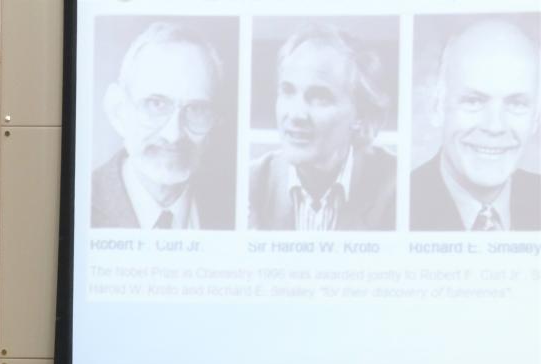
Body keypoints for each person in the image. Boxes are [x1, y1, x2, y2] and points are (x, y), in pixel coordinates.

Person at [249, 23, 396, 231]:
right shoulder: (251, 184)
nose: (296, 115)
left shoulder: (396, 187)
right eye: (288, 91)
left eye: (319, 97)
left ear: (361, 116)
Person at [92, 21, 234, 230]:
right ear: (119, 111)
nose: (173, 135)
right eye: (156, 104)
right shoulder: (80, 202)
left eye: (196, 109)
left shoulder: (234, 207)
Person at [410, 19, 540, 231]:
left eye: (516, 104)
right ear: (437, 106)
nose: (495, 127)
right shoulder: (392, 207)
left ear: (536, 117)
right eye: (473, 101)